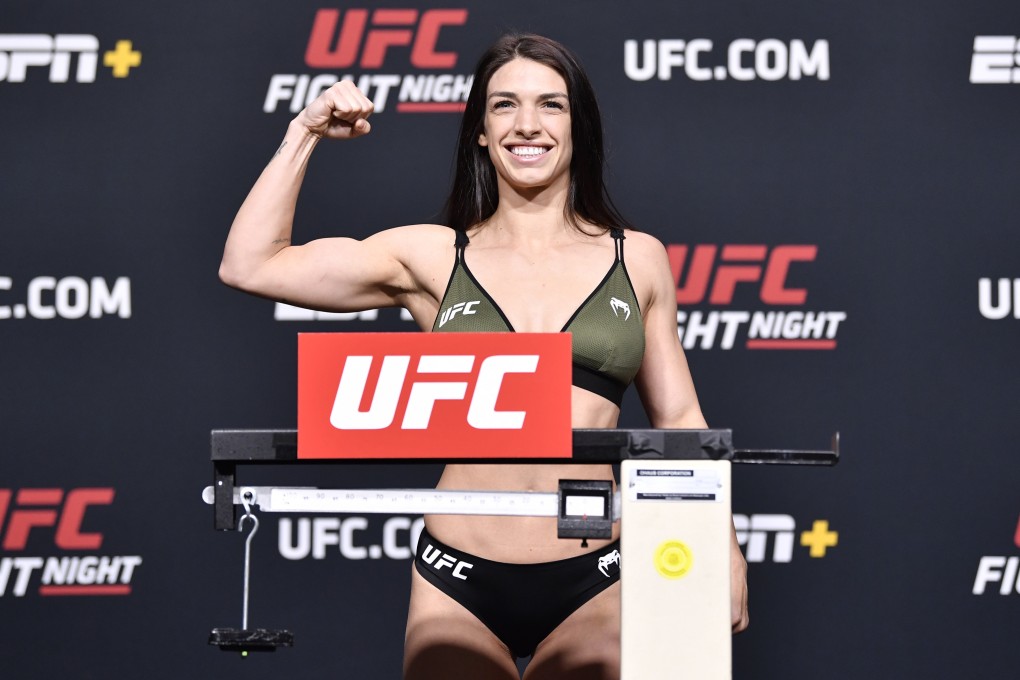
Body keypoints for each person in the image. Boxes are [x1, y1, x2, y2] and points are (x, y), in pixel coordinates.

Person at [220, 32, 748, 680]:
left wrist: (720, 545)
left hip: (595, 574)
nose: (527, 125)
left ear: (578, 126)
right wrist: (304, 130)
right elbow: (251, 264)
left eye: (550, 105)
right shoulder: (431, 256)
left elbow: (682, 421)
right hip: (456, 578)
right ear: (479, 129)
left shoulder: (635, 258)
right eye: (505, 106)